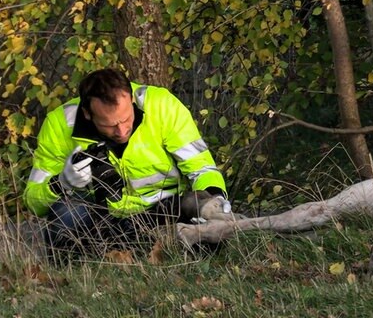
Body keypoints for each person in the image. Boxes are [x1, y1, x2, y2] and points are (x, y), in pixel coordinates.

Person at [23, 68, 232, 259]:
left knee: (199, 205)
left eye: (125, 119)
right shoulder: (59, 125)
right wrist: (61, 184)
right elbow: (33, 200)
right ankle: (71, 282)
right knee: (67, 212)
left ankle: (194, 259)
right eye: (109, 125)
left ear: (131, 99)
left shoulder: (162, 105)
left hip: (164, 212)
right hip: (102, 224)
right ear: (87, 114)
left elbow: (201, 168)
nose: (122, 131)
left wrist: (216, 200)